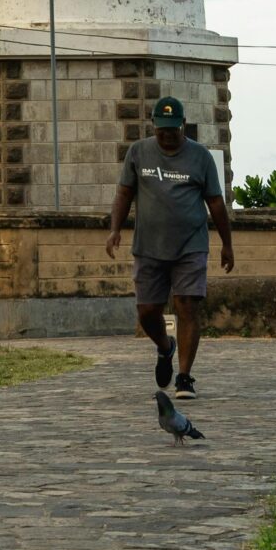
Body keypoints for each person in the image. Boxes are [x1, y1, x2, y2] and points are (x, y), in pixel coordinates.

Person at [105, 94, 234, 396]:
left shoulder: (199, 157)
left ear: (182, 126)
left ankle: (185, 377)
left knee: (187, 305)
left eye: (173, 129)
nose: (167, 135)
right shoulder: (138, 153)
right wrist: (115, 230)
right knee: (147, 311)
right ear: (154, 126)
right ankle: (165, 348)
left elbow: (215, 202)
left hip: (191, 244)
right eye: (162, 129)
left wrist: (227, 244)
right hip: (149, 246)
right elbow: (124, 194)